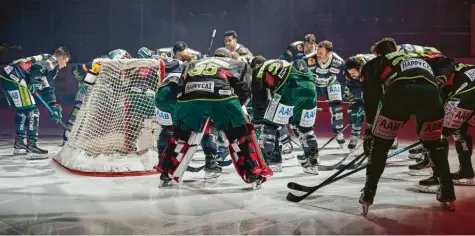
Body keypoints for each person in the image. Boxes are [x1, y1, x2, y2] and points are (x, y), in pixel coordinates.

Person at [359, 37, 455, 214]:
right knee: (435, 146)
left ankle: (368, 194)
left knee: (380, 146)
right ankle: (447, 194)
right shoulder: (419, 56)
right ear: (395, 48)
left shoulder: (376, 62)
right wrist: (440, 79)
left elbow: (370, 98)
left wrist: (372, 128)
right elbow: (448, 61)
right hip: (431, 94)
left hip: (399, 93)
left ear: (378, 53)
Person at [157, 48, 272, 188]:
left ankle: (165, 173)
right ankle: (252, 173)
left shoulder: (194, 63)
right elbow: (244, 90)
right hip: (221, 96)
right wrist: (233, 112)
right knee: (240, 136)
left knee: (180, 137)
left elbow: (181, 85)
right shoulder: (238, 63)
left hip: (188, 99)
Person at [250, 56, 319, 174]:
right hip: (311, 88)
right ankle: (312, 163)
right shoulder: (282, 63)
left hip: (289, 88)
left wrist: (258, 120)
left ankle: (265, 165)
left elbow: (258, 99)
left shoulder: (257, 70)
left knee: (269, 127)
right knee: (306, 129)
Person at [1, 46, 70, 159]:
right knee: (33, 111)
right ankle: (32, 147)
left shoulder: (47, 65)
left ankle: (20, 145)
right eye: (65, 61)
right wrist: (34, 80)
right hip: (17, 78)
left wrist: (53, 105)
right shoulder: (52, 60)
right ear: (60, 58)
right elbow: (38, 68)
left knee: (22, 111)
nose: (65, 65)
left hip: (7, 76)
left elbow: (48, 88)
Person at [418, 62, 475, 189]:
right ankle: (466, 172)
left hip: (469, 94)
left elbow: (454, 102)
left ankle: (438, 178)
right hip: (469, 96)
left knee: (439, 134)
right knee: (459, 130)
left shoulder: (461, 79)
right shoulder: (458, 72)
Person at [63, 49, 130, 145]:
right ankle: (68, 135)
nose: (124, 61)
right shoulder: (102, 61)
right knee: (79, 110)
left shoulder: (118, 67)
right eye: (123, 58)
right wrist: (82, 80)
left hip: (99, 91)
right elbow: (77, 68)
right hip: (87, 88)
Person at [312, 40, 346, 146]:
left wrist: (343, 92)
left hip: (332, 84)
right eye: (317, 52)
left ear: (329, 53)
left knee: (337, 110)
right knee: (306, 106)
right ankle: (307, 134)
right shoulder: (309, 59)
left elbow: (343, 79)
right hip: (315, 85)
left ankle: (339, 132)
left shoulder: (339, 62)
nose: (318, 55)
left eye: (321, 53)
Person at [344, 54, 374, 149]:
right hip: (362, 90)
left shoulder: (372, 68)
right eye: (350, 73)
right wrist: (352, 98)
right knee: (354, 110)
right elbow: (349, 89)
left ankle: (389, 137)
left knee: (377, 115)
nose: (352, 75)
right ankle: (354, 135)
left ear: (360, 68)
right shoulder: (350, 73)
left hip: (376, 92)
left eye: (353, 73)